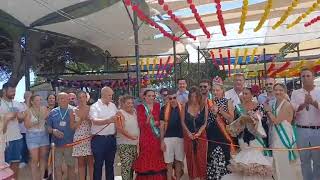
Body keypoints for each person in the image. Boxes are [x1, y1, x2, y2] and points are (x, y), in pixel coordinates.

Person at [222, 87, 273, 180]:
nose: (244, 96)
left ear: (252, 95)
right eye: (243, 94)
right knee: (245, 161)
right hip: (243, 138)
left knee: (256, 161)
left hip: (257, 137)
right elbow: (234, 122)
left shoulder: (259, 106)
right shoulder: (238, 107)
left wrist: (255, 119)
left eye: (246, 94)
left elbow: (264, 122)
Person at [264, 83, 302, 180]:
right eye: (276, 90)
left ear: (284, 91)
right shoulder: (274, 103)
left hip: (283, 136)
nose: (278, 92)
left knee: (283, 161)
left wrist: (267, 111)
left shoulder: (287, 104)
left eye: (280, 90)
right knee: (276, 161)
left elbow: (276, 121)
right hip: (274, 135)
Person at [290, 68, 320, 180]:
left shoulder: (319, 91)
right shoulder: (295, 93)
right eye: (303, 76)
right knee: (304, 160)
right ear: (300, 78)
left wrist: (314, 103)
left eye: (308, 76)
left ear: (313, 77)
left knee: (318, 161)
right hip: (301, 130)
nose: (306, 78)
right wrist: (303, 104)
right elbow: (294, 109)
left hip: (317, 130)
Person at [133, 89, 167, 180]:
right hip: (145, 136)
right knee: (146, 155)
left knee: (157, 155)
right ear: (144, 96)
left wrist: (157, 123)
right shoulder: (140, 107)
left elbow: (162, 121)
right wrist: (148, 120)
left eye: (153, 96)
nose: (151, 98)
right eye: (149, 96)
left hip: (156, 136)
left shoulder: (158, 106)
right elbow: (140, 124)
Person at [206, 77, 235, 180]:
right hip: (211, 136)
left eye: (217, 90)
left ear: (223, 91)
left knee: (224, 161)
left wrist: (220, 111)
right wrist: (213, 113)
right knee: (212, 162)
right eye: (213, 90)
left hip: (224, 136)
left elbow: (231, 120)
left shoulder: (228, 102)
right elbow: (206, 122)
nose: (215, 92)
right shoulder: (208, 103)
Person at [89, 86, 118, 180]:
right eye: (110, 95)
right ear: (103, 94)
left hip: (111, 139)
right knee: (98, 164)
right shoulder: (95, 106)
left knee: (110, 165)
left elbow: (118, 117)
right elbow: (94, 120)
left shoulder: (113, 105)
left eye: (112, 95)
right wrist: (108, 120)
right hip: (99, 139)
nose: (111, 97)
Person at [47, 92, 76, 180]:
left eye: (64, 98)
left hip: (70, 144)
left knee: (71, 166)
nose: (62, 100)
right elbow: (47, 127)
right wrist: (53, 130)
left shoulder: (74, 110)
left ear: (68, 99)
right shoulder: (53, 112)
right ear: (57, 101)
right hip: (56, 145)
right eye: (60, 98)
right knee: (57, 167)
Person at [181, 86, 208, 180]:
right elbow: (182, 122)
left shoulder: (203, 105)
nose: (194, 99)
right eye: (192, 97)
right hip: (188, 136)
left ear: (199, 96)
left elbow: (205, 122)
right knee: (190, 159)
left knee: (201, 159)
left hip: (201, 136)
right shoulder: (185, 105)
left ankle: (202, 178)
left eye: (196, 97)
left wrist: (199, 132)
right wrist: (188, 133)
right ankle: (192, 177)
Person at [0, 82, 25, 179]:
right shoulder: (0, 103)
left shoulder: (17, 104)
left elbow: (21, 120)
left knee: (16, 163)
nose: (13, 93)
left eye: (14, 91)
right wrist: (6, 118)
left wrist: (20, 117)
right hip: (3, 139)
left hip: (17, 138)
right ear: (4, 91)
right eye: (11, 91)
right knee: (3, 165)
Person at [160, 90, 184, 180]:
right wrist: (162, 141)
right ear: (168, 99)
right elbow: (162, 126)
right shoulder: (163, 108)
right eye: (170, 98)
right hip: (167, 139)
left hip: (180, 138)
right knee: (168, 163)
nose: (173, 100)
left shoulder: (183, 107)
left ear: (177, 97)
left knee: (178, 162)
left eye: (174, 97)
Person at [24, 94, 50, 180]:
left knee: (43, 157)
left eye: (40, 100)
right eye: (37, 100)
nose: (40, 101)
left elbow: (48, 117)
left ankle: (42, 177)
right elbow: (27, 125)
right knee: (34, 159)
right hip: (32, 136)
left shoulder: (44, 109)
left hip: (43, 135)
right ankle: (35, 178)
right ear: (32, 101)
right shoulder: (28, 111)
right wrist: (36, 122)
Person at [70, 91, 94, 180]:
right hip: (79, 137)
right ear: (77, 99)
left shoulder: (91, 109)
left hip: (90, 137)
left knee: (91, 161)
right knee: (81, 162)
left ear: (86, 98)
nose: (81, 99)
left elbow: (95, 124)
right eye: (79, 97)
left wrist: (88, 119)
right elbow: (72, 127)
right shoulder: (73, 110)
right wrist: (80, 121)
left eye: (83, 97)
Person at [116, 95, 139, 180]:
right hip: (125, 145)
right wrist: (131, 137)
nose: (130, 105)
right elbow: (120, 128)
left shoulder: (135, 112)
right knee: (126, 168)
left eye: (132, 103)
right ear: (122, 103)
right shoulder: (119, 113)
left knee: (134, 168)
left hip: (136, 145)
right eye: (128, 103)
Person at [19, 91, 32, 168]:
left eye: (30, 96)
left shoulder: (34, 105)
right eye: (27, 96)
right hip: (22, 130)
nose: (28, 97)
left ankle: (27, 160)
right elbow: (22, 116)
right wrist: (27, 101)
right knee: (24, 146)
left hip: (32, 130)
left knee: (30, 147)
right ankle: (23, 160)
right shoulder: (20, 105)